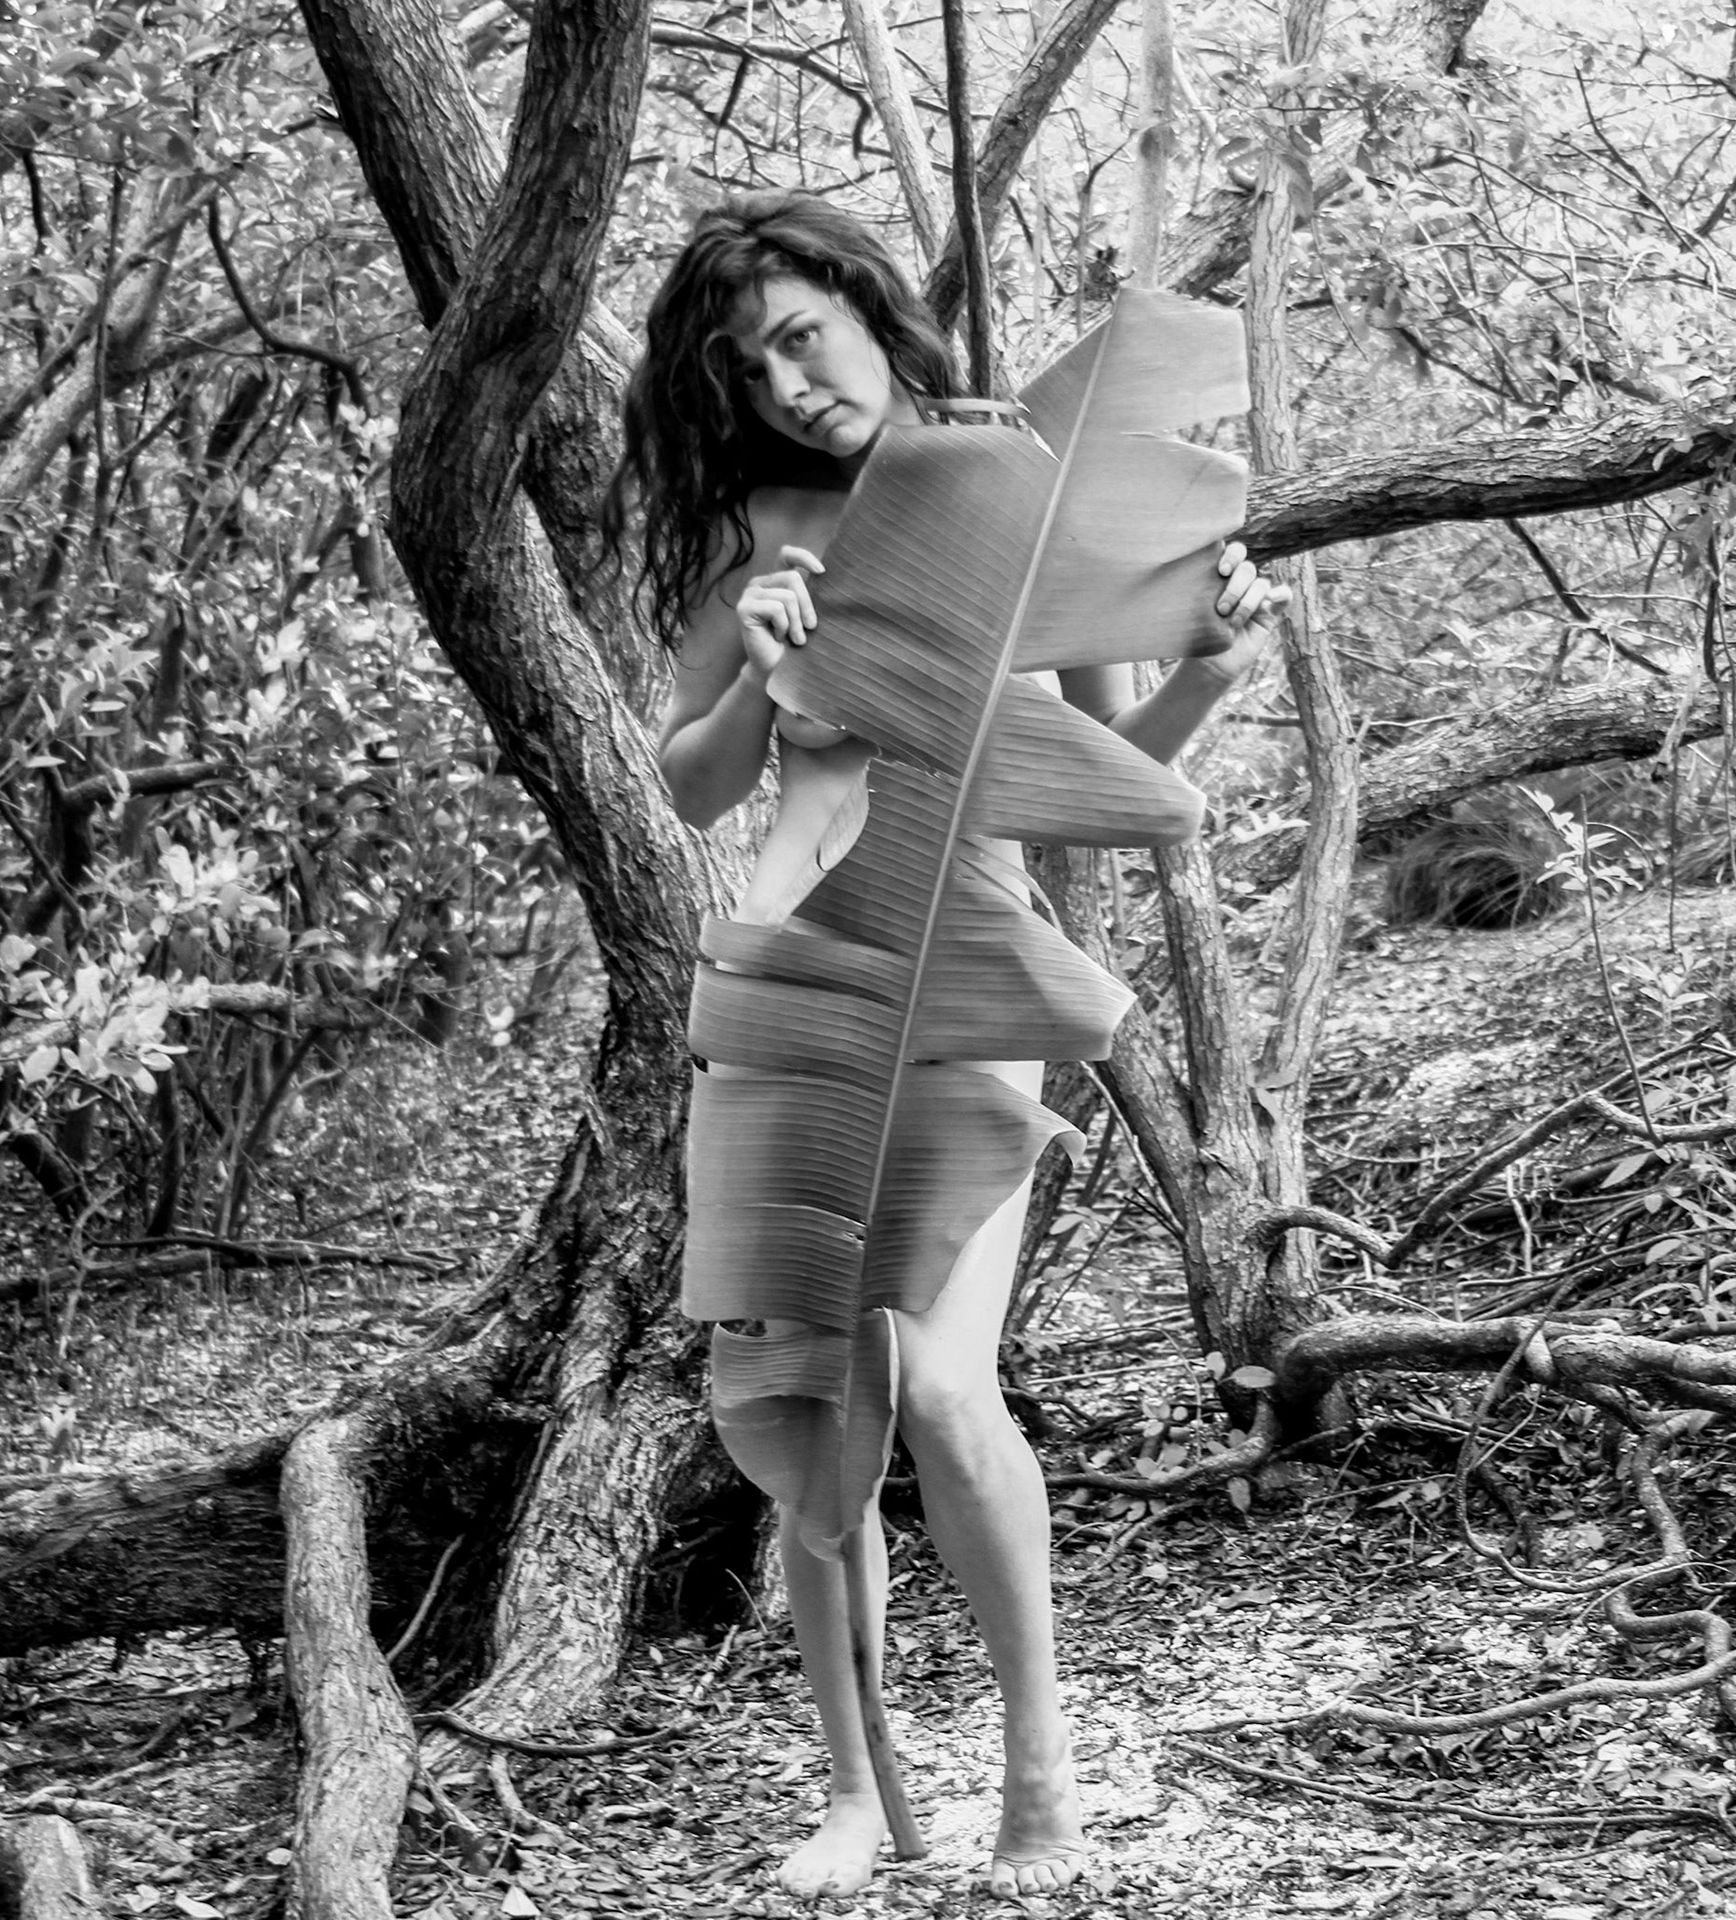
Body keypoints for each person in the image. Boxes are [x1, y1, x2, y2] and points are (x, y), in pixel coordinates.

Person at [602, 189, 1286, 1902]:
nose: (788, 382)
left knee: (937, 1377)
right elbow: (686, 785)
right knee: (809, 1398)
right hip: (792, 989)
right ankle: (859, 1795)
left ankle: (1041, 1769)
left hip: (967, 979)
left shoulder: (1013, 485)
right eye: (749, 367)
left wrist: (1211, 660)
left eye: (801, 336)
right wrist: (758, 671)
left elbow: (1110, 778)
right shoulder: (756, 532)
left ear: (864, 307)